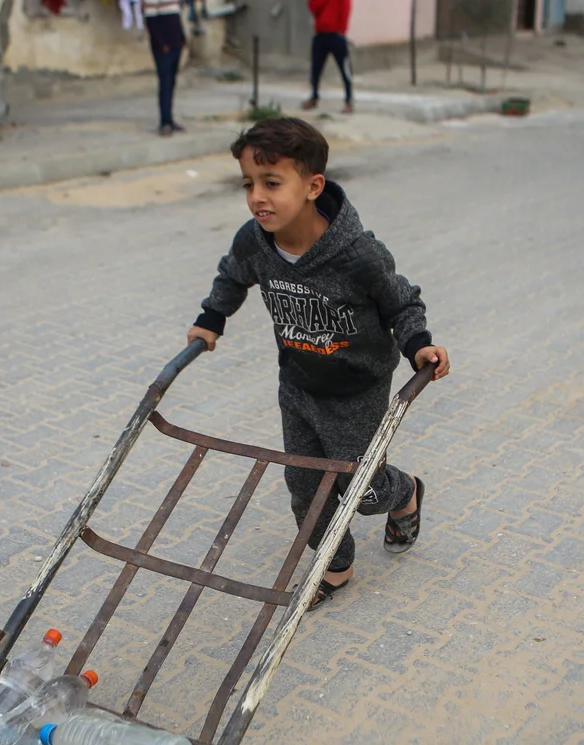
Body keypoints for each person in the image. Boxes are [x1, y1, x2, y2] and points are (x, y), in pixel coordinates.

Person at [186, 119, 450, 609]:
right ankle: (336, 565)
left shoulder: (358, 256)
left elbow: (401, 302)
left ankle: (406, 492)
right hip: (298, 382)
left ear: (312, 187)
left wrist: (419, 345)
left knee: (363, 491)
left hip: (357, 389)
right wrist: (212, 317)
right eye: (248, 184)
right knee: (305, 485)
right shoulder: (255, 242)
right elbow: (232, 275)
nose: (257, 197)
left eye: (271, 183)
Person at [142, 0, 187, 136]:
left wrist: (182, 38)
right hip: (163, 49)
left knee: (171, 82)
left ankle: (170, 119)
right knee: (165, 83)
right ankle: (164, 123)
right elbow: (151, 24)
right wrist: (162, 45)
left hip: (175, 45)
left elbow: (176, 18)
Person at [302, 0, 354, 114]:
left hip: (337, 34)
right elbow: (313, 6)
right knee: (315, 69)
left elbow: (346, 8)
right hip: (320, 33)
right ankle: (314, 96)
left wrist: (342, 30)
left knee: (345, 69)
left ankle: (349, 101)